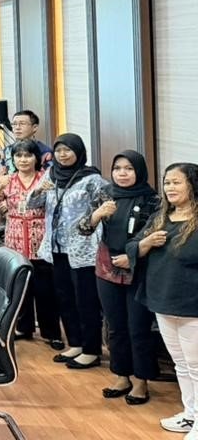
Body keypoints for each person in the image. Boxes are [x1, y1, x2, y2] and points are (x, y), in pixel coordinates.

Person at [79, 151, 160, 404]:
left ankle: (141, 381)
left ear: (139, 171)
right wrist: (97, 215)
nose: (122, 173)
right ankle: (121, 375)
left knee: (138, 327)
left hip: (138, 268)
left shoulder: (153, 200)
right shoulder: (105, 194)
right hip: (107, 267)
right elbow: (83, 228)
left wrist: (131, 256)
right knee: (115, 326)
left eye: (128, 168)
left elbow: (154, 235)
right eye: (117, 168)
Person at [129, 163, 198, 437]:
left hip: (191, 304)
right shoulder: (160, 217)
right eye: (167, 182)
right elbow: (132, 246)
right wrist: (145, 244)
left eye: (176, 182)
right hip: (162, 299)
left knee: (196, 366)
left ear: (193, 185)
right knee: (180, 363)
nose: (170, 188)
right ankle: (190, 414)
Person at [33, 133, 110, 369]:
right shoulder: (50, 175)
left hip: (83, 249)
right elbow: (32, 205)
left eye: (68, 150)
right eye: (58, 150)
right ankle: (75, 343)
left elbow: (107, 210)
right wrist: (39, 190)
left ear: (79, 152)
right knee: (64, 297)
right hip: (56, 247)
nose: (62, 155)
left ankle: (91, 349)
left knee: (86, 300)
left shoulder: (92, 179)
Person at [0, 140, 61, 347]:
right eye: (18, 156)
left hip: (41, 239)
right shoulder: (8, 180)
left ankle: (51, 333)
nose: (23, 160)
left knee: (46, 290)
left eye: (28, 155)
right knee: (20, 287)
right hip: (15, 237)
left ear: (36, 158)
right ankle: (23, 327)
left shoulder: (46, 178)